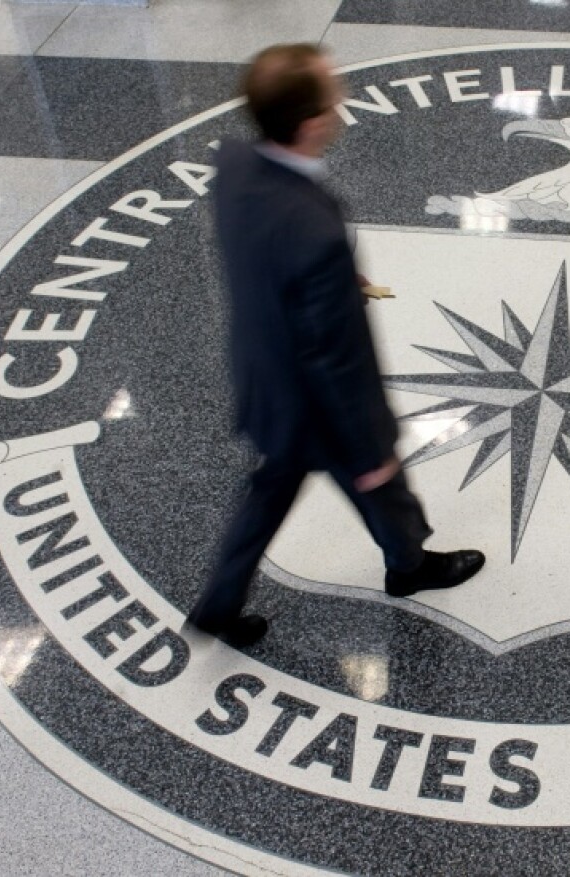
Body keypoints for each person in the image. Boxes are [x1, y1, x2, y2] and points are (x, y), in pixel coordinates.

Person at [187, 43, 484, 648]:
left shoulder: (237, 162)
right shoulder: (314, 234)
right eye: (332, 96)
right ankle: (409, 568)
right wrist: (370, 442)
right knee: (382, 482)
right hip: (316, 403)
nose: (341, 104)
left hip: (263, 376)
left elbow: (263, 249)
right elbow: (335, 358)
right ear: (310, 123)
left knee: (269, 493)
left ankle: (218, 603)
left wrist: (322, 283)